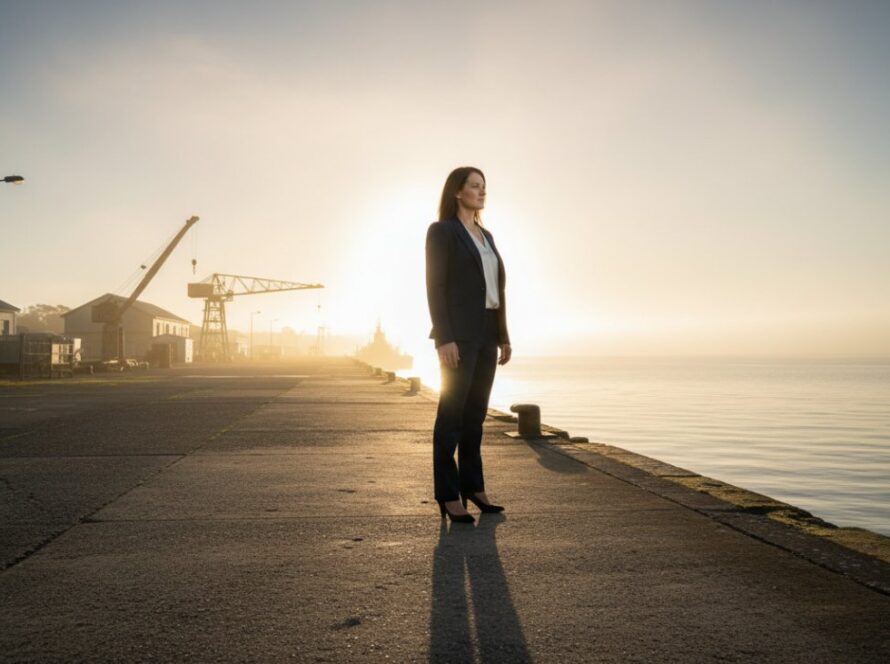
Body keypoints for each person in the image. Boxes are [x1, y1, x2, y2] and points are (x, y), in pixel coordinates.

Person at [425, 166, 512, 523]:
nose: (481, 192)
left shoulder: (486, 235)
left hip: (487, 334)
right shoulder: (442, 231)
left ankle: (473, 487)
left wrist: (503, 335)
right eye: (474, 186)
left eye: (484, 187)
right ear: (457, 192)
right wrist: (443, 337)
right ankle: (447, 494)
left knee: (475, 415)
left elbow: (497, 290)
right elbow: (436, 286)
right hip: (458, 335)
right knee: (451, 416)